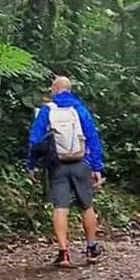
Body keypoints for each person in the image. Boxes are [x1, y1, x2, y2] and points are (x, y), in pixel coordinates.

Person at [27, 75, 104, 267]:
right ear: (70, 89)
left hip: (57, 165)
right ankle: (91, 248)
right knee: (87, 206)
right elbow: (92, 137)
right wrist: (97, 167)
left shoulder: (46, 110)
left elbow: (35, 140)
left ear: (54, 89)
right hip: (81, 162)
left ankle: (64, 253)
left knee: (60, 207)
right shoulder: (80, 109)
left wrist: (31, 165)